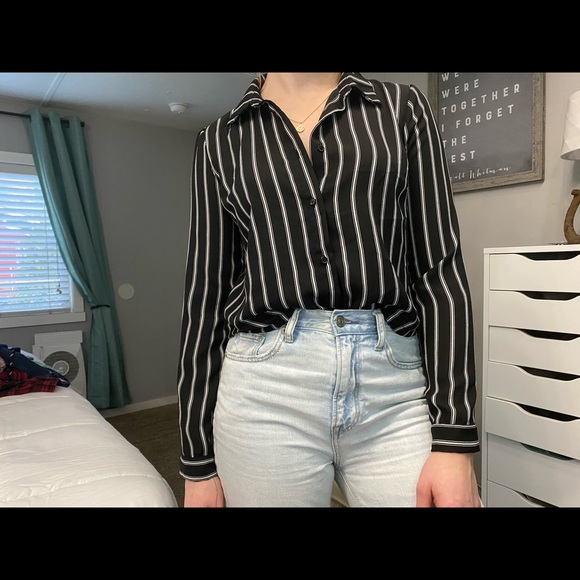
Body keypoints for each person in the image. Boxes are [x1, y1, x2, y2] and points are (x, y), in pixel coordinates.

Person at [177, 72, 481, 508]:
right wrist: (197, 462)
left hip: (393, 390)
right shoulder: (219, 141)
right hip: (263, 393)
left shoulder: (401, 108)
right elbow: (205, 296)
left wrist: (454, 437)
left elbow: (439, 271)